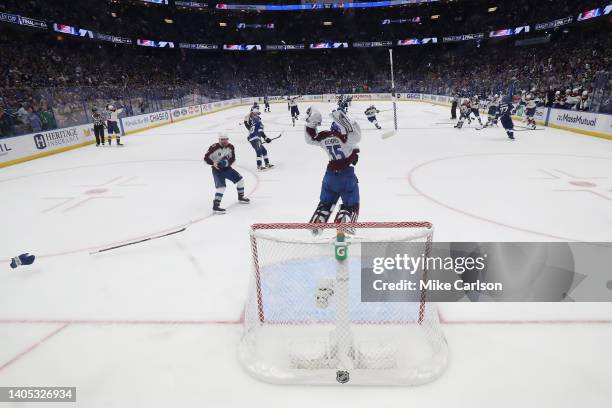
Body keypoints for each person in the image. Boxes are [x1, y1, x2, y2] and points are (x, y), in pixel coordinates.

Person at [304, 107, 361, 232]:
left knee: (326, 202)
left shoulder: (324, 138)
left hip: (329, 177)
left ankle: (318, 221)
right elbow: (356, 137)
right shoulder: (347, 140)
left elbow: (310, 139)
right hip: (346, 176)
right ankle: (344, 221)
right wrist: (349, 121)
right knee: (351, 202)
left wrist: (311, 123)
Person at [203, 134, 250, 214]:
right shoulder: (213, 147)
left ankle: (241, 197)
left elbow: (233, 158)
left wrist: (227, 163)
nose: (225, 141)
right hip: (217, 170)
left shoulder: (231, 147)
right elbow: (206, 158)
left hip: (227, 169)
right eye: (222, 139)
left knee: (240, 180)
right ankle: (216, 206)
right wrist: (213, 163)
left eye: (226, 139)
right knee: (221, 188)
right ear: (219, 140)